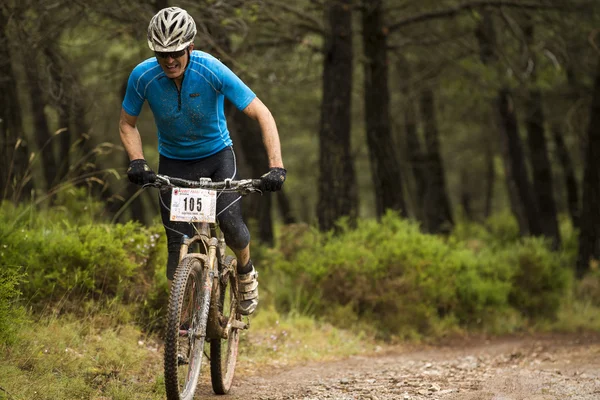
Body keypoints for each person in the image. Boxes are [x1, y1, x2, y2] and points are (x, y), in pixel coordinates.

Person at [119, 6, 285, 316]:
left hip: (217, 159)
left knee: (231, 225)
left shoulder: (211, 69)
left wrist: (276, 166)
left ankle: (245, 271)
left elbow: (262, 113)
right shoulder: (142, 76)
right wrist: (137, 160)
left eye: (176, 52)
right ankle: (180, 328)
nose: (169, 60)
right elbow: (127, 123)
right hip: (174, 163)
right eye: (162, 53)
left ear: (190, 48)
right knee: (175, 245)